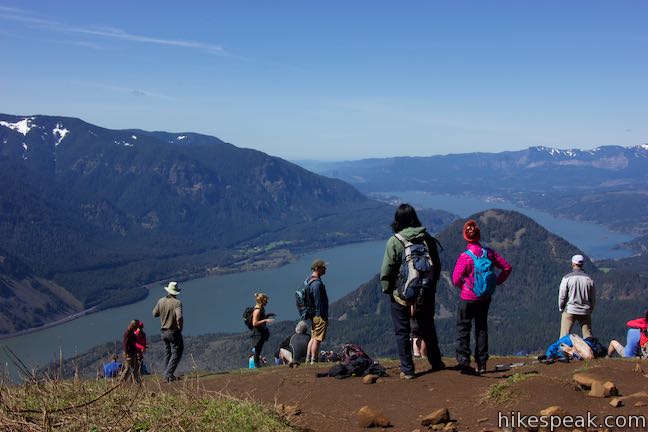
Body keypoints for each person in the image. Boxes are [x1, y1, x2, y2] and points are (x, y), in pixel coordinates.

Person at [380, 203, 444, 379]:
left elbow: (387, 270)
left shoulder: (395, 241)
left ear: (397, 220)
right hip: (425, 292)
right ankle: (436, 362)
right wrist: (429, 287)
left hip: (401, 295)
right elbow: (436, 266)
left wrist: (388, 289)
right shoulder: (428, 238)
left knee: (402, 331)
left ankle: (408, 370)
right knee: (428, 327)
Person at [452, 219, 512, 375]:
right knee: (481, 328)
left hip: (468, 298)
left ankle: (464, 362)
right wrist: (497, 282)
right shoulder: (489, 253)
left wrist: (466, 287)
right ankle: (482, 363)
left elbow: (455, 279)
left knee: (463, 328)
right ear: (478, 235)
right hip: (485, 297)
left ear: (465, 237)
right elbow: (507, 267)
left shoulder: (465, 257)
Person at [152, 281, 184, 383]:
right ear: (175, 292)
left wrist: (163, 312)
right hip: (173, 331)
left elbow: (154, 314)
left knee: (168, 353)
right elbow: (179, 317)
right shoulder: (177, 303)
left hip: (163, 332)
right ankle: (168, 375)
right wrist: (180, 327)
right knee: (177, 352)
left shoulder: (161, 301)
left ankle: (167, 374)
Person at [558, 254, 595, 339]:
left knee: (563, 336)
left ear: (573, 264)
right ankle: (590, 350)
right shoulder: (589, 279)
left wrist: (561, 308)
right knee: (588, 336)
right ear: (582, 264)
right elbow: (592, 298)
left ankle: (563, 351)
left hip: (570, 309)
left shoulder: (566, 278)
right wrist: (590, 309)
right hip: (585, 310)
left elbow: (562, 296)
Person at [306, 259, 329, 365]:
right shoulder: (316, 284)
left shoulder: (309, 280)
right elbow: (318, 301)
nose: (325, 269)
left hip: (313, 315)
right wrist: (321, 315)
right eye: (323, 267)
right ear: (317, 268)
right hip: (318, 315)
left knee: (314, 337)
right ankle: (314, 360)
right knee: (317, 339)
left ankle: (308, 359)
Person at [251, 292, 274, 367]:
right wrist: (265, 320)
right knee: (257, 349)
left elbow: (260, 318)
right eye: (266, 300)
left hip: (261, 331)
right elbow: (254, 323)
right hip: (258, 333)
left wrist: (267, 316)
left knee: (259, 349)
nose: (267, 302)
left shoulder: (261, 308)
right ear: (262, 300)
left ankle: (258, 365)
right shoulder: (257, 310)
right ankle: (257, 365)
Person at [120, 319, 142, 384]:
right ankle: (121, 382)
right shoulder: (127, 333)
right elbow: (125, 344)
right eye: (137, 326)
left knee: (135, 368)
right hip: (129, 354)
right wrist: (127, 355)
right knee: (127, 369)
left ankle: (138, 382)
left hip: (133, 352)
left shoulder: (131, 332)